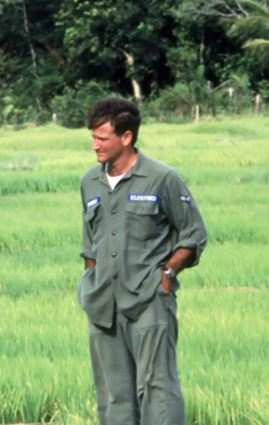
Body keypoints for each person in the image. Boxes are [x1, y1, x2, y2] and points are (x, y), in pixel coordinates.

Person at [77, 98, 208, 425]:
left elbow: (193, 235)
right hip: (103, 305)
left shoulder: (162, 177)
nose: (95, 145)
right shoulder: (89, 182)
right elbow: (90, 246)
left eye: (102, 138)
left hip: (149, 299)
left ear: (126, 137)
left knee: (157, 389)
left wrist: (167, 274)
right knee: (112, 394)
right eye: (93, 137)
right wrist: (90, 284)